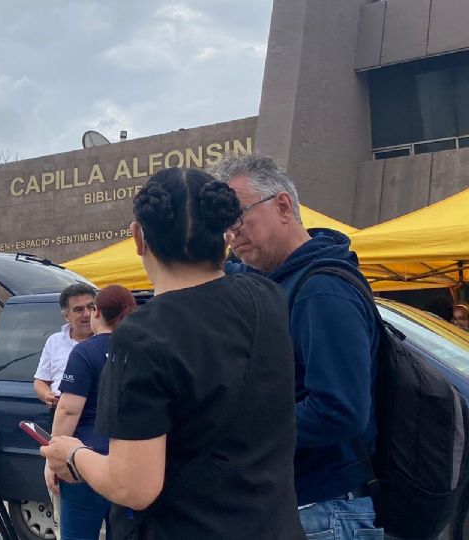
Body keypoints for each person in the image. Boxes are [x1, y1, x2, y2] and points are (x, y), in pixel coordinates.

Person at [42, 168, 303, 538]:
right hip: (274, 525)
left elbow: (134, 487)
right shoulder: (267, 296)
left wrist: (71, 454)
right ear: (226, 233)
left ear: (138, 237)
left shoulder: (142, 336)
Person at [211, 154, 381, 537]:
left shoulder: (321, 291)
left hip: (326, 510)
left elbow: (340, 409)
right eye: (223, 226)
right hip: (304, 505)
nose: (231, 233)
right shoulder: (283, 282)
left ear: (283, 206)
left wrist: (239, 427)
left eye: (236, 217)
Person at [46, 285, 135, 540]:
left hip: (85, 461)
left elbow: (68, 410)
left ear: (97, 312)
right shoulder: (142, 348)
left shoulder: (85, 352)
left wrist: (53, 457)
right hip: (130, 460)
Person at [33, 284, 96, 410]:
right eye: (79, 309)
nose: (87, 314)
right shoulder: (54, 341)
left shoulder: (108, 341)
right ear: (66, 316)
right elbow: (40, 381)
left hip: (96, 414)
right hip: (60, 411)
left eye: (91, 307)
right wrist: (46, 394)